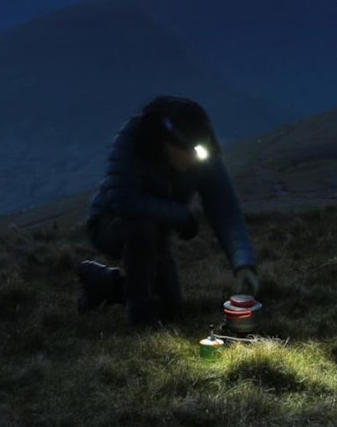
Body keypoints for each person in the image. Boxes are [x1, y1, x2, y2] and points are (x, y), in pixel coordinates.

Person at [76, 95, 259, 327]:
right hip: (111, 224)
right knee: (142, 227)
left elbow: (226, 212)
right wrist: (181, 216)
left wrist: (243, 264)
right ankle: (139, 316)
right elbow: (124, 200)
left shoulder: (204, 153)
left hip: (158, 234)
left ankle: (103, 282)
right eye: (189, 151)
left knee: (170, 308)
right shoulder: (135, 135)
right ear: (168, 141)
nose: (194, 160)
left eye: (199, 153)